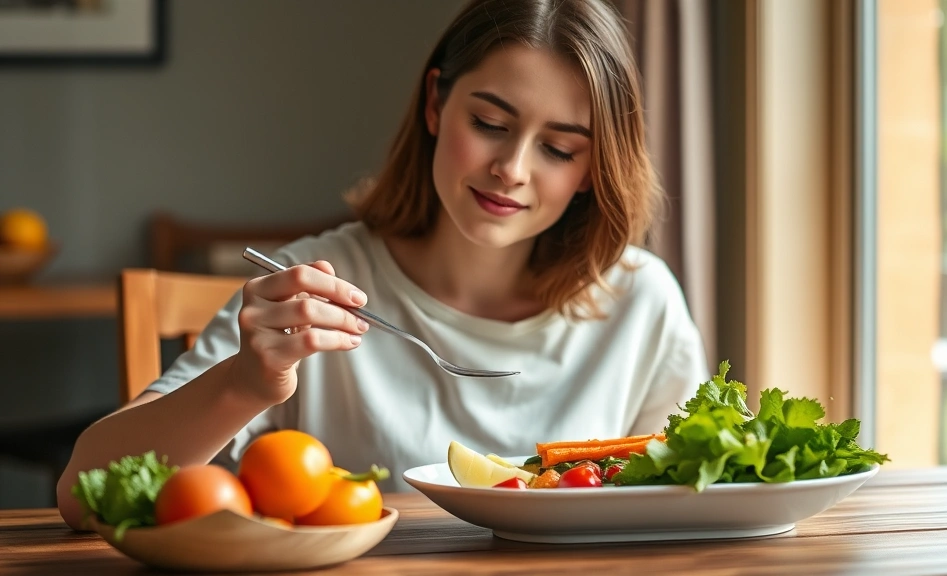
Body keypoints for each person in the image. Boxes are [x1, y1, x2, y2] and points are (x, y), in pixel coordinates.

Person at [56, 0, 708, 528]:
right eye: (489, 122)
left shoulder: (640, 301)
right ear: (434, 104)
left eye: (560, 149)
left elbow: (691, 505)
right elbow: (83, 493)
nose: (511, 170)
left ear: (593, 170)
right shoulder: (313, 282)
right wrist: (245, 384)